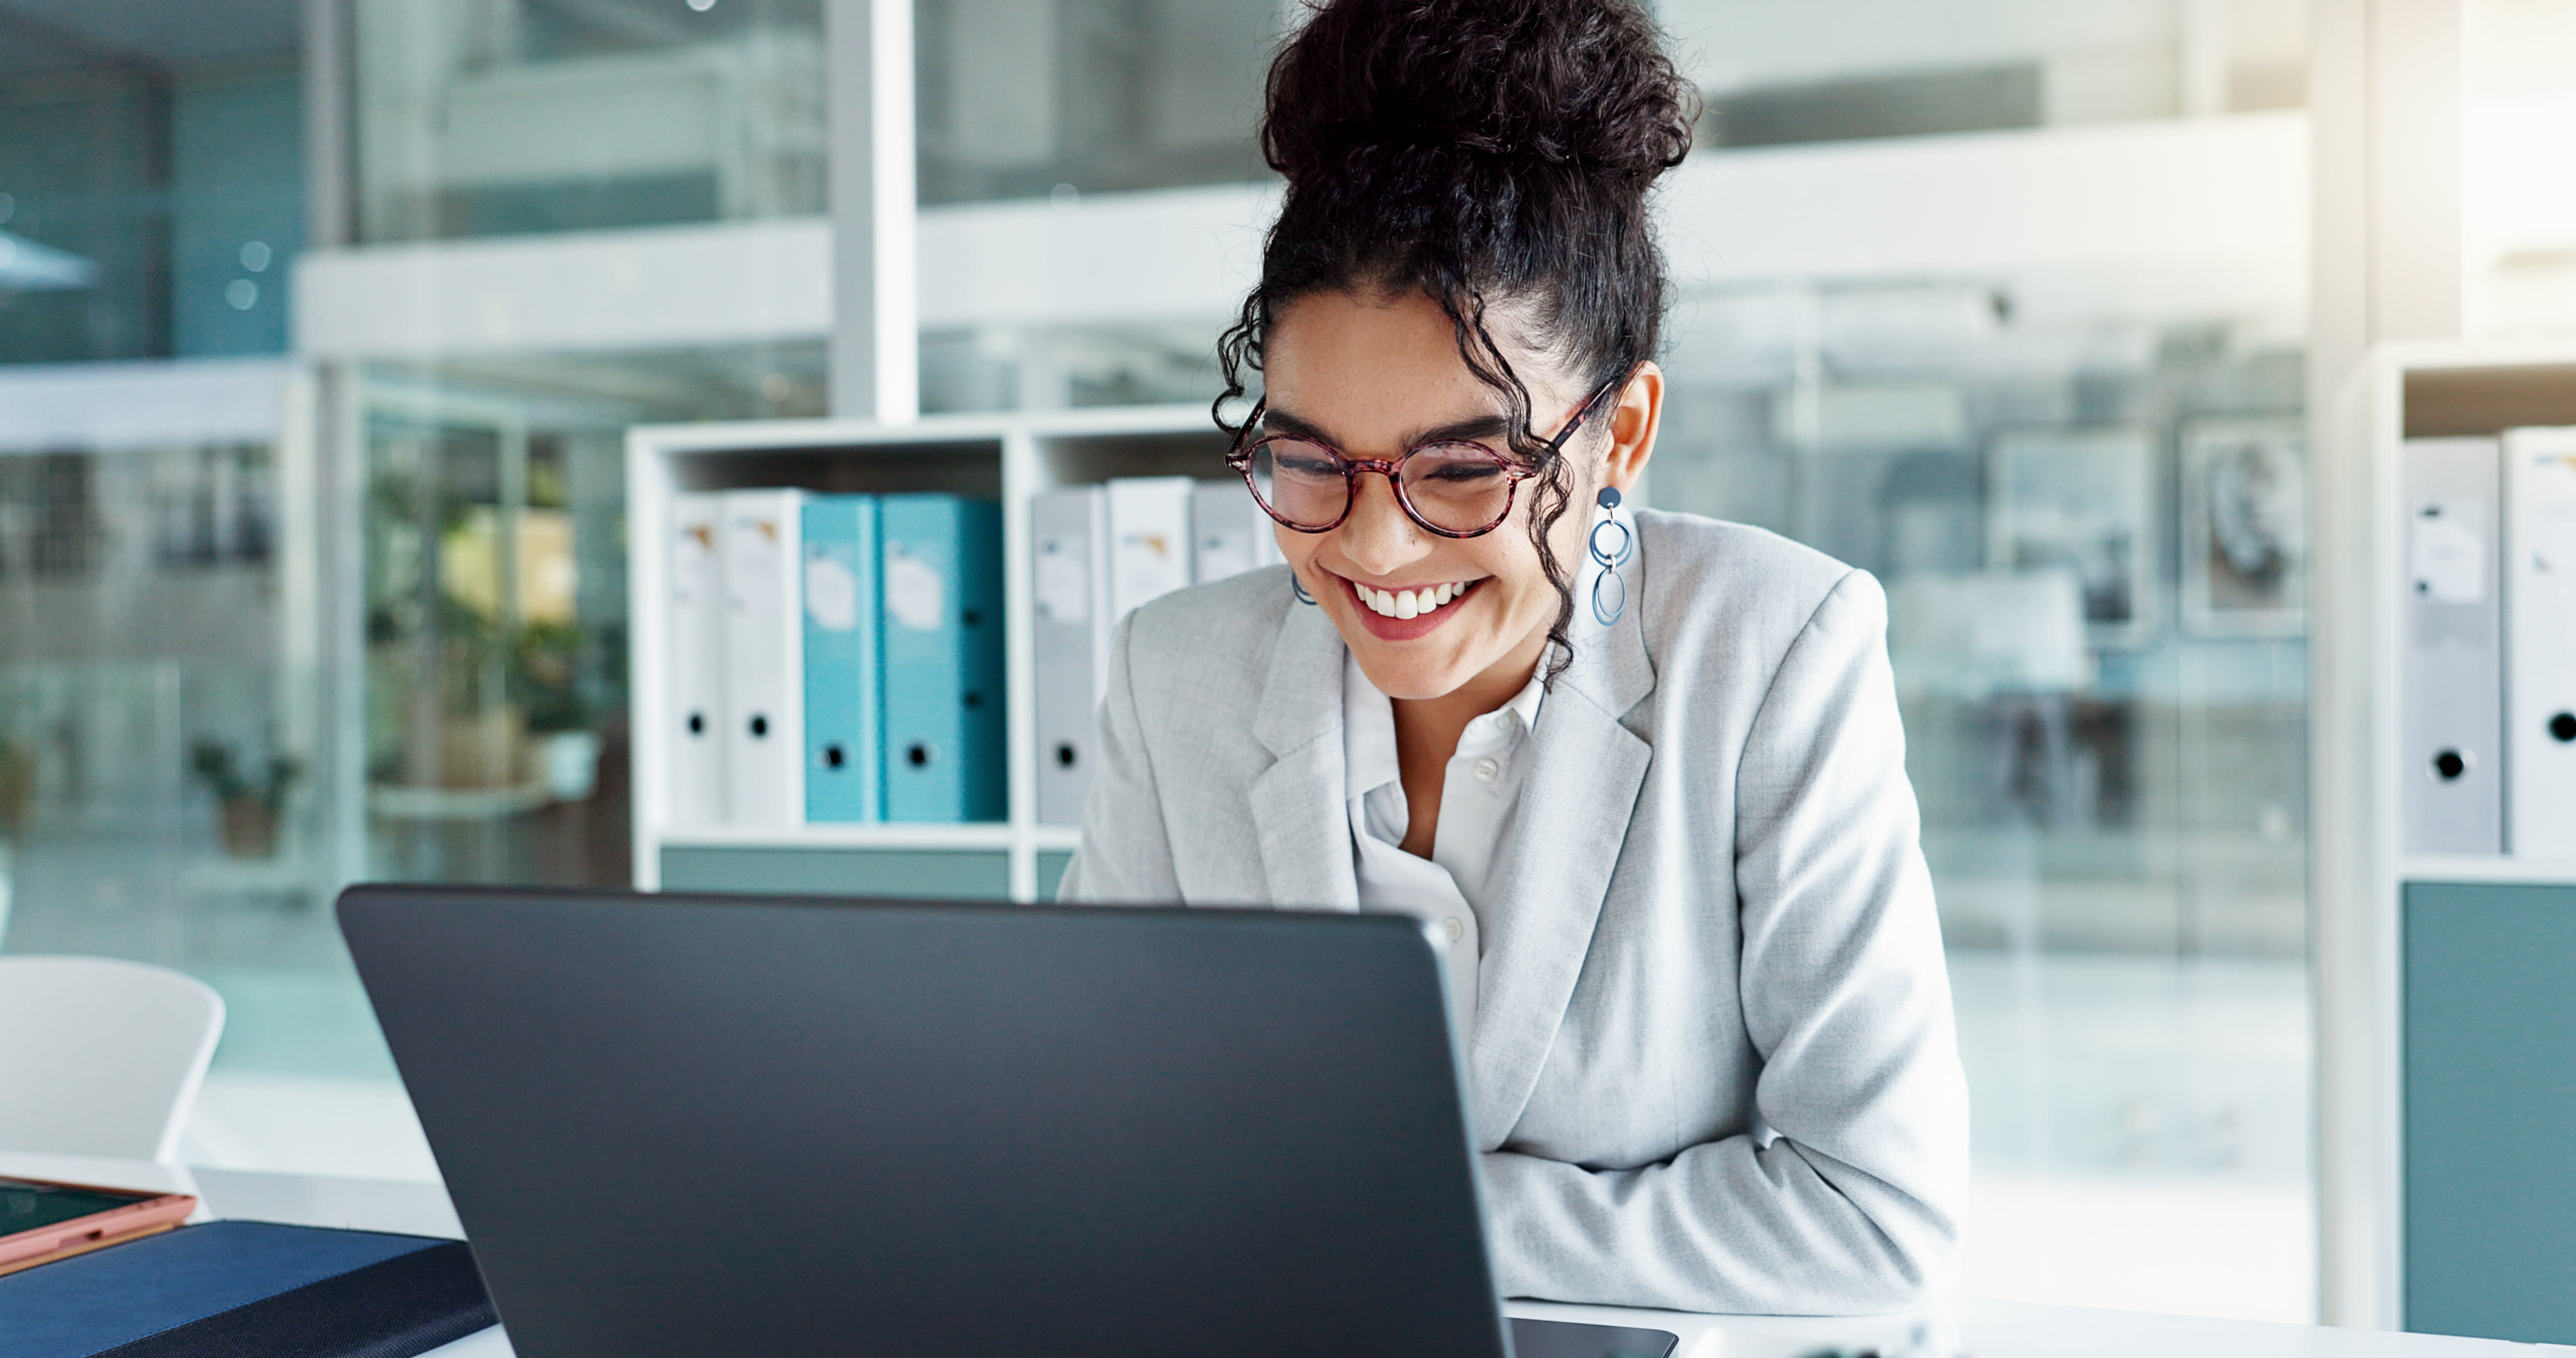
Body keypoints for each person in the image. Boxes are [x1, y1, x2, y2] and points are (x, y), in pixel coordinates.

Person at [1057, 0, 1967, 1316]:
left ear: (1623, 433)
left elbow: (1872, 1214)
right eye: (1308, 459)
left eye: (1464, 466)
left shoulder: (1771, 651)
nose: (1372, 544)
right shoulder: (1175, 673)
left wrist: (1371, 1216)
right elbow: (1087, 1144)